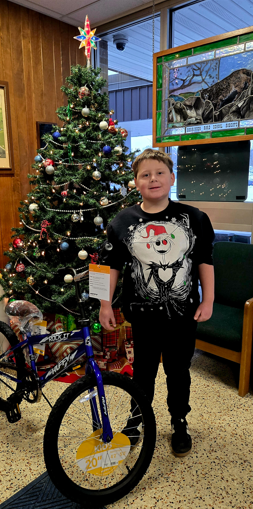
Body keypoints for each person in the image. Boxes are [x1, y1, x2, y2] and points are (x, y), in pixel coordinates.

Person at [99, 148, 215, 457]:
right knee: (143, 371)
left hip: (183, 314)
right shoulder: (122, 221)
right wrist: (104, 304)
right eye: (145, 174)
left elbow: (205, 260)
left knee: (178, 371)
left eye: (160, 172)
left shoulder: (194, 218)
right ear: (135, 182)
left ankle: (179, 423)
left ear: (172, 177)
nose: (153, 179)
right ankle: (136, 420)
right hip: (142, 315)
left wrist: (209, 299)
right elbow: (107, 265)